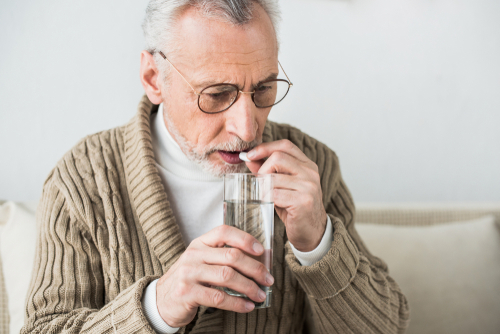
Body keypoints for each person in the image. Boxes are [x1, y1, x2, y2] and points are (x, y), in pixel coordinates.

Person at [22, 1, 410, 333]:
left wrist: (319, 244)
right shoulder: (82, 181)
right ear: (154, 78)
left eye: (263, 89)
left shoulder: (313, 165)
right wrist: (158, 306)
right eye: (217, 94)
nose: (246, 127)